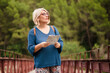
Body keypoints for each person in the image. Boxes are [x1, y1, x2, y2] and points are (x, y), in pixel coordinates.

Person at [27, 8, 63, 73]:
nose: (47, 15)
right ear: (37, 17)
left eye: (47, 14)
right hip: (41, 65)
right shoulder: (33, 32)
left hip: (55, 63)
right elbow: (30, 48)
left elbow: (60, 42)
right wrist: (41, 45)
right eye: (43, 14)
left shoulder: (53, 28)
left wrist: (58, 45)